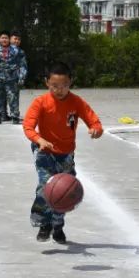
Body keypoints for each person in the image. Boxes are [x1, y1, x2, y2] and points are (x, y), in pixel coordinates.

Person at [22, 62, 103, 244]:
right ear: (47, 83)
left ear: (71, 83)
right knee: (46, 186)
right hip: (45, 151)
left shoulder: (76, 102)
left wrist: (96, 130)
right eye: (55, 86)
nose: (60, 90)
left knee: (64, 190)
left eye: (64, 86)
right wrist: (39, 140)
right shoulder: (40, 102)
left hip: (66, 154)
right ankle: (44, 223)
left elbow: (94, 121)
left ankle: (57, 225)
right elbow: (28, 126)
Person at [0, 31, 25, 125]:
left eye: (6, 38)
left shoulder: (16, 50)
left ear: (9, 39)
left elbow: (23, 64)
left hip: (11, 78)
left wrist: (22, 76)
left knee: (12, 98)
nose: (4, 40)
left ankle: (15, 116)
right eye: (2, 38)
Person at [11, 32, 28, 117]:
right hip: (3, 78)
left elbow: (23, 66)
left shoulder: (21, 52)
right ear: (10, 39)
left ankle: (15, 114)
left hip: (15, 77)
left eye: (18, 39)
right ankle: (2, 114)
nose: (16, 41)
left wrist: (22, 77)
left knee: (15, 96)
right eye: (15, 38)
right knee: (1, 97)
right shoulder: (3, 50)